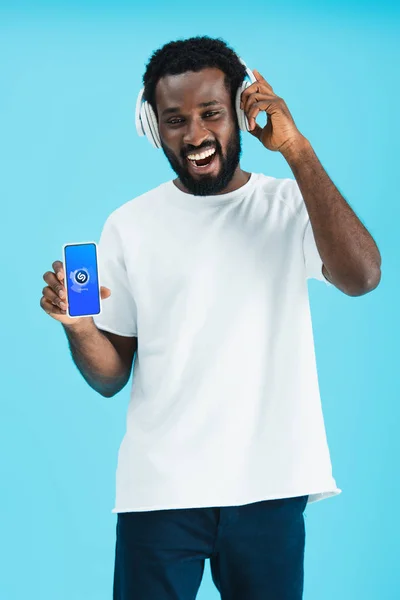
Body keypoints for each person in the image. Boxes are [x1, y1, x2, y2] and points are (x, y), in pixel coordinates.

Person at [40, 36, 381, 600]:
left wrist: (296, 149)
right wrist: (78, 328)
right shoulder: (129, 225)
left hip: (271, 486)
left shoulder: (290, 205)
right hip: (160, 494)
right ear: (153, 127)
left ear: (241, 112)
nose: (195, 135)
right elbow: (110, 376)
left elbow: (362, 276)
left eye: (211, 113)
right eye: (174, 119)